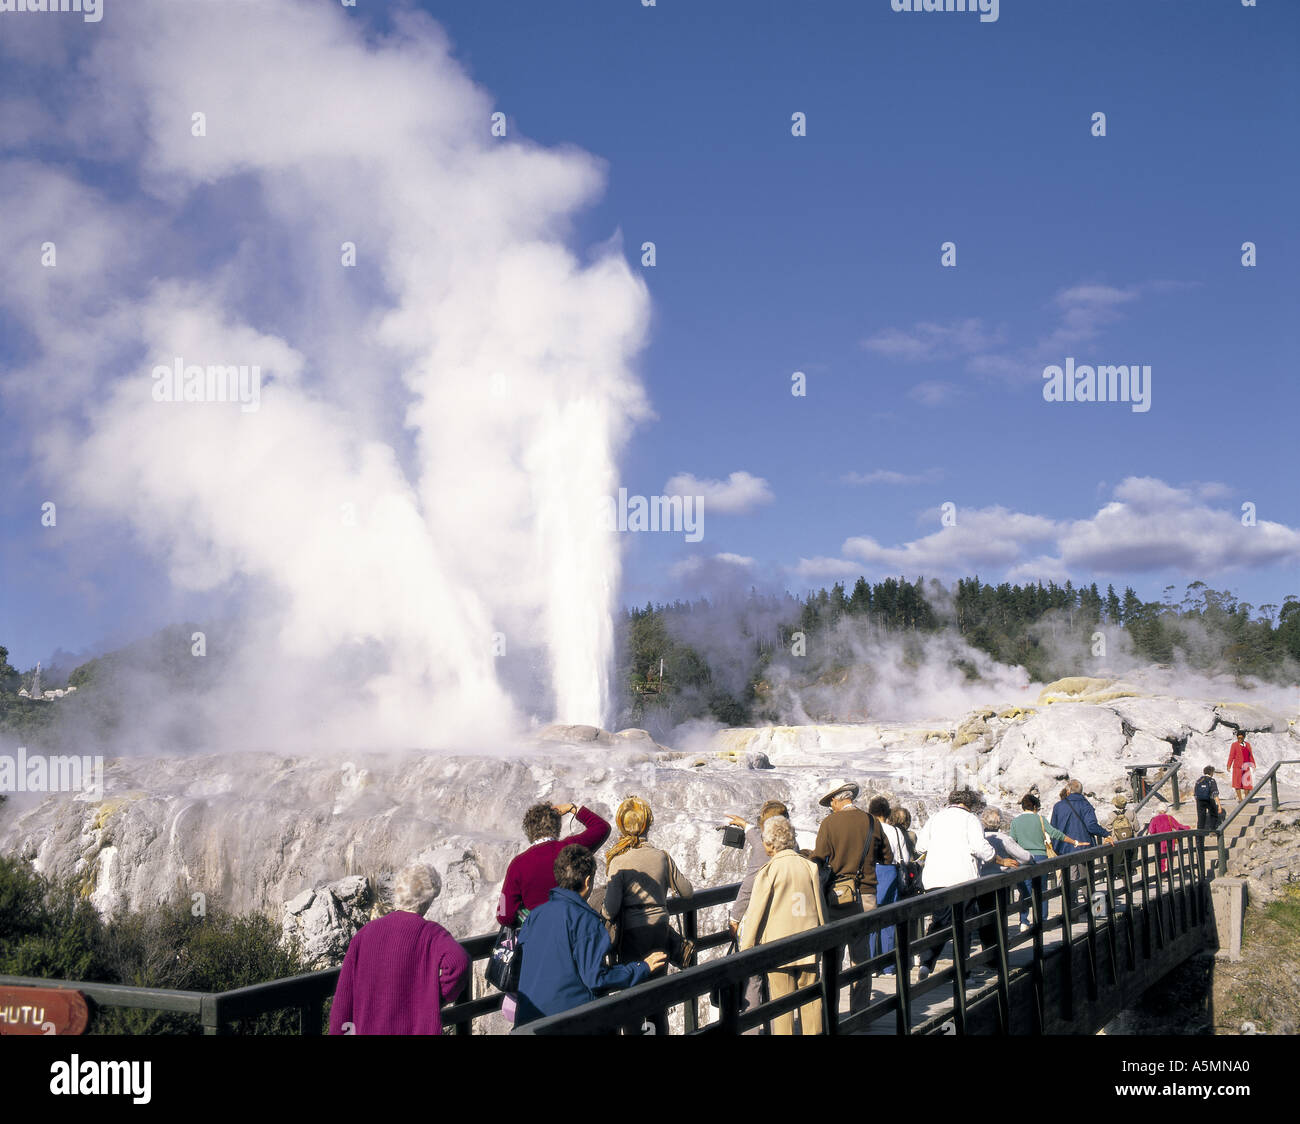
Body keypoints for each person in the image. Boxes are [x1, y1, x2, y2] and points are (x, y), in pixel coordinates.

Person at [514, 844, 666, 1029]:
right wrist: (641, 968)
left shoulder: (535, 915)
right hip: (569, 1023)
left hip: (528, 1022)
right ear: (587, 881)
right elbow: (596, 978)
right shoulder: (585, 920)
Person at [329, 864, 469, 1035]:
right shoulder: (431, 933)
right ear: (427, 899)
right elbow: (459, 963)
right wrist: (433, 1000)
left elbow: (344, 999)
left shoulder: (364, 933)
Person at [602, 795, 694, 1035]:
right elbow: (687, 892)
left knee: (632, 998)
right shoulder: (661, 856)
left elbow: (610, 909)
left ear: (622, 825)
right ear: (647, 824)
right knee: (656, 998)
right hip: (659, 932)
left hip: (631, 937)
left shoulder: (618, 861)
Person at [914, 788, 1019, 980]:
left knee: (939, 922)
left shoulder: (935, 818)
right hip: (962, 878)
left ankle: (927, 963)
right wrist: (1001, 860)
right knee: (963, 925)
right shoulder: (970, 819)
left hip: (935, 878)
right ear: (969, 803)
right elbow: (982, 849)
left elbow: (920, 847)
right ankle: (962, 971)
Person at [739, 815, 827, 1035]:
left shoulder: (769, 871)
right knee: (811, 1005)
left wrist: (745, 950)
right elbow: (820, 907)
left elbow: (755, 914)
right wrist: (826, 937)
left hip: (778, 950)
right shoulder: (809, 867)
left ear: (770, 843)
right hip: (808, 946)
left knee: (781, 1010)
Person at [810, 779, 893, 1012]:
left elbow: (819, 858)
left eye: (830, 803)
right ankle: (860, 1011)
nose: (831, 807)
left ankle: (830, 1012)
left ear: (837, 799)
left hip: (837, 896)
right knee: (861, 955)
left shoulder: (829, 823)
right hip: (866, 894)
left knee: (833, 957)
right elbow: (886, 857)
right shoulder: (871, 821)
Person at [727, 800, 790, 1030]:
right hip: (785, 923)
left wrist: (734, 918)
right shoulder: (791, 845)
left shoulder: (766, 852)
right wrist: (745, 826)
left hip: (762, 925)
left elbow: (748, 888)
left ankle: (752, 1029)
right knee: (776, 980)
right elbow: (757, 840)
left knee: (753, 980)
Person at [496, 799, 611, 927]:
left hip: (537, 937)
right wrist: (572, 808)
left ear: (529, 830)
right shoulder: (571, 848)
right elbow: (601, 827)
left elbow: (504, 916)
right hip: (574, 928)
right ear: (557, 826)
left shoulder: (518, 864)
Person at [974, 809, 1033, 956]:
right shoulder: (1003, 838)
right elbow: (1025, 857)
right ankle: (998, 953)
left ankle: (986, 952)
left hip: (979, 883)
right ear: (999, 822)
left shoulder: (978, 839)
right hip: (999, 881)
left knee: (983, 918)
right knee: (999, 918)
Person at [1050, 780, 1115, 906]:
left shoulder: (1058, 806)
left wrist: (1056, 847)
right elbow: (1091, 826)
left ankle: (1070, 911)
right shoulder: (1086, 805)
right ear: (1081, 791)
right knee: (1087, 879)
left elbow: (1053, 829)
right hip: (1084, 848)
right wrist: (1106, 834)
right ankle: (1094, 911)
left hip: (1065, 848)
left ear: (1068, 791)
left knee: (1069, 879)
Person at [867, 796, 908, 973]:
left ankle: (868, 965)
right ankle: (888, 966)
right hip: (890, 873)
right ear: (886, 812)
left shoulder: (867, 829)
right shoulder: (895, 832)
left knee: (869, 922)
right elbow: (904, 858)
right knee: (888, 922)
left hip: (870, 874)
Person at [1146, 803, 1189, 874]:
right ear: (1166, 810)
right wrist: (1187, 827)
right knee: (1170, 856)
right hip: (1170, 840)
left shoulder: (1154, 819)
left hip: (1160, 840)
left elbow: (1151, 831)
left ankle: (1162, 872)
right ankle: (1170, 871)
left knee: (1161, 857)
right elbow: (1178, 826)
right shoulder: (1169, 817)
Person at [1194, 766, 1224, 830]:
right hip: (1209, 800)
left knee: (1201, 818)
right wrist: (1219, 805)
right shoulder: (1211, 780)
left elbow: (1195, 793)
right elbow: (1215, 793)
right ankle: (1212, 830)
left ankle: (1199, 834)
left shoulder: (1199, 780)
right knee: (1214, 814)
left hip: (1199, 801)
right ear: (1211, 772)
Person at [1227, 735, 1256, 802]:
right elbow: (1231, 755)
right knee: (1237, 783)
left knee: (1247, 783)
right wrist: (1229, 765)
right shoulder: (1234, 745)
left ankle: (1246, 799)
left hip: (1246, 766)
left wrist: (1253, 764)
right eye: (1238, 738)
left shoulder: (1247, 744)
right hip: (1238, 767)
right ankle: (1240, 799)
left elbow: (1250, 755)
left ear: (1244, 738)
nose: (1239, 739)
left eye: (1241, 738)